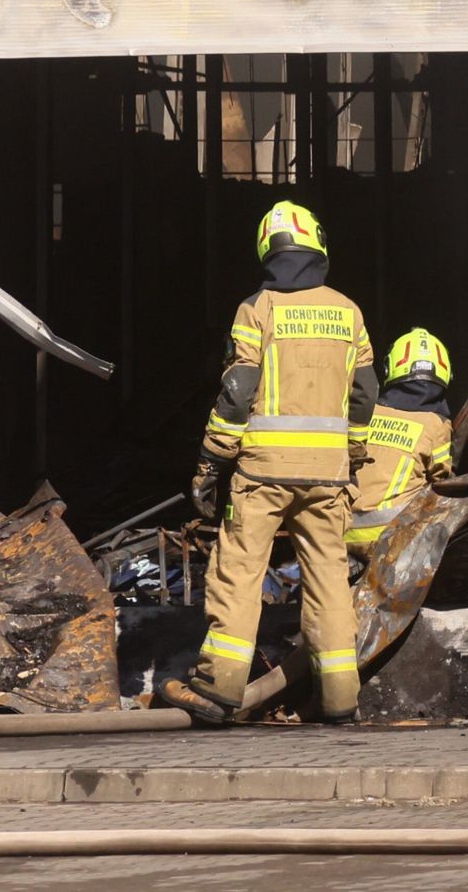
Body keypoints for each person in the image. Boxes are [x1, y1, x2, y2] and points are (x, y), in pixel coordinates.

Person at [160, 200, 378, 725]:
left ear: (266, 248)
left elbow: (237, 393)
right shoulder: (349, 311)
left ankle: (220, 686)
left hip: (261, 476)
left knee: (238, 573)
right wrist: (350, 455)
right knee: (327, 579)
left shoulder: (257, 309)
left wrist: (212, 460)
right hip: (327, 479)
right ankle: (340, 697)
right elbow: (366, 393)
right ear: (319, 245)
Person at [344, 329, 454, 561]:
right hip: (388, 538)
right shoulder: (436, 425)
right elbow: (442, 483)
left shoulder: (367, 412)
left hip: (339, 530)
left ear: (390, 370)